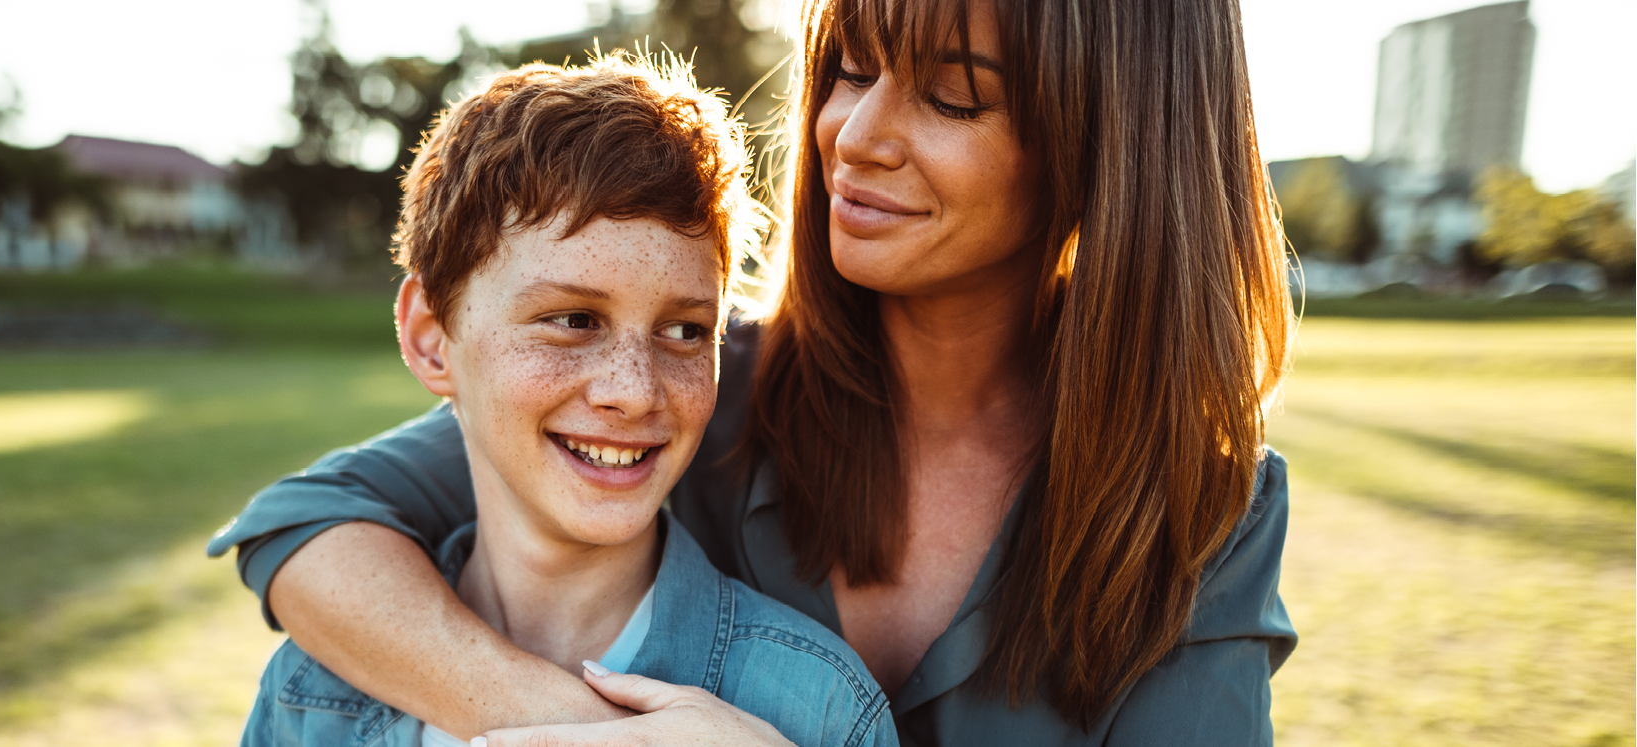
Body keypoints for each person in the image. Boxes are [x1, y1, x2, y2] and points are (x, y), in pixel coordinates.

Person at [211, 0, 1299, 743]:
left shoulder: (1206, 511)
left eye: (952, 97)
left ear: (1106, 141)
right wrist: (577, 730)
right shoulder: (704, 383)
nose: (851, 134)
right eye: (851, 71)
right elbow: (306, 526)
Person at [228, 56, 895, 747]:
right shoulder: (309, 696)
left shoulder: (818, 706)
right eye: (573, 320)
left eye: (684, 330)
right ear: (431, 340)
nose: (634, 390)